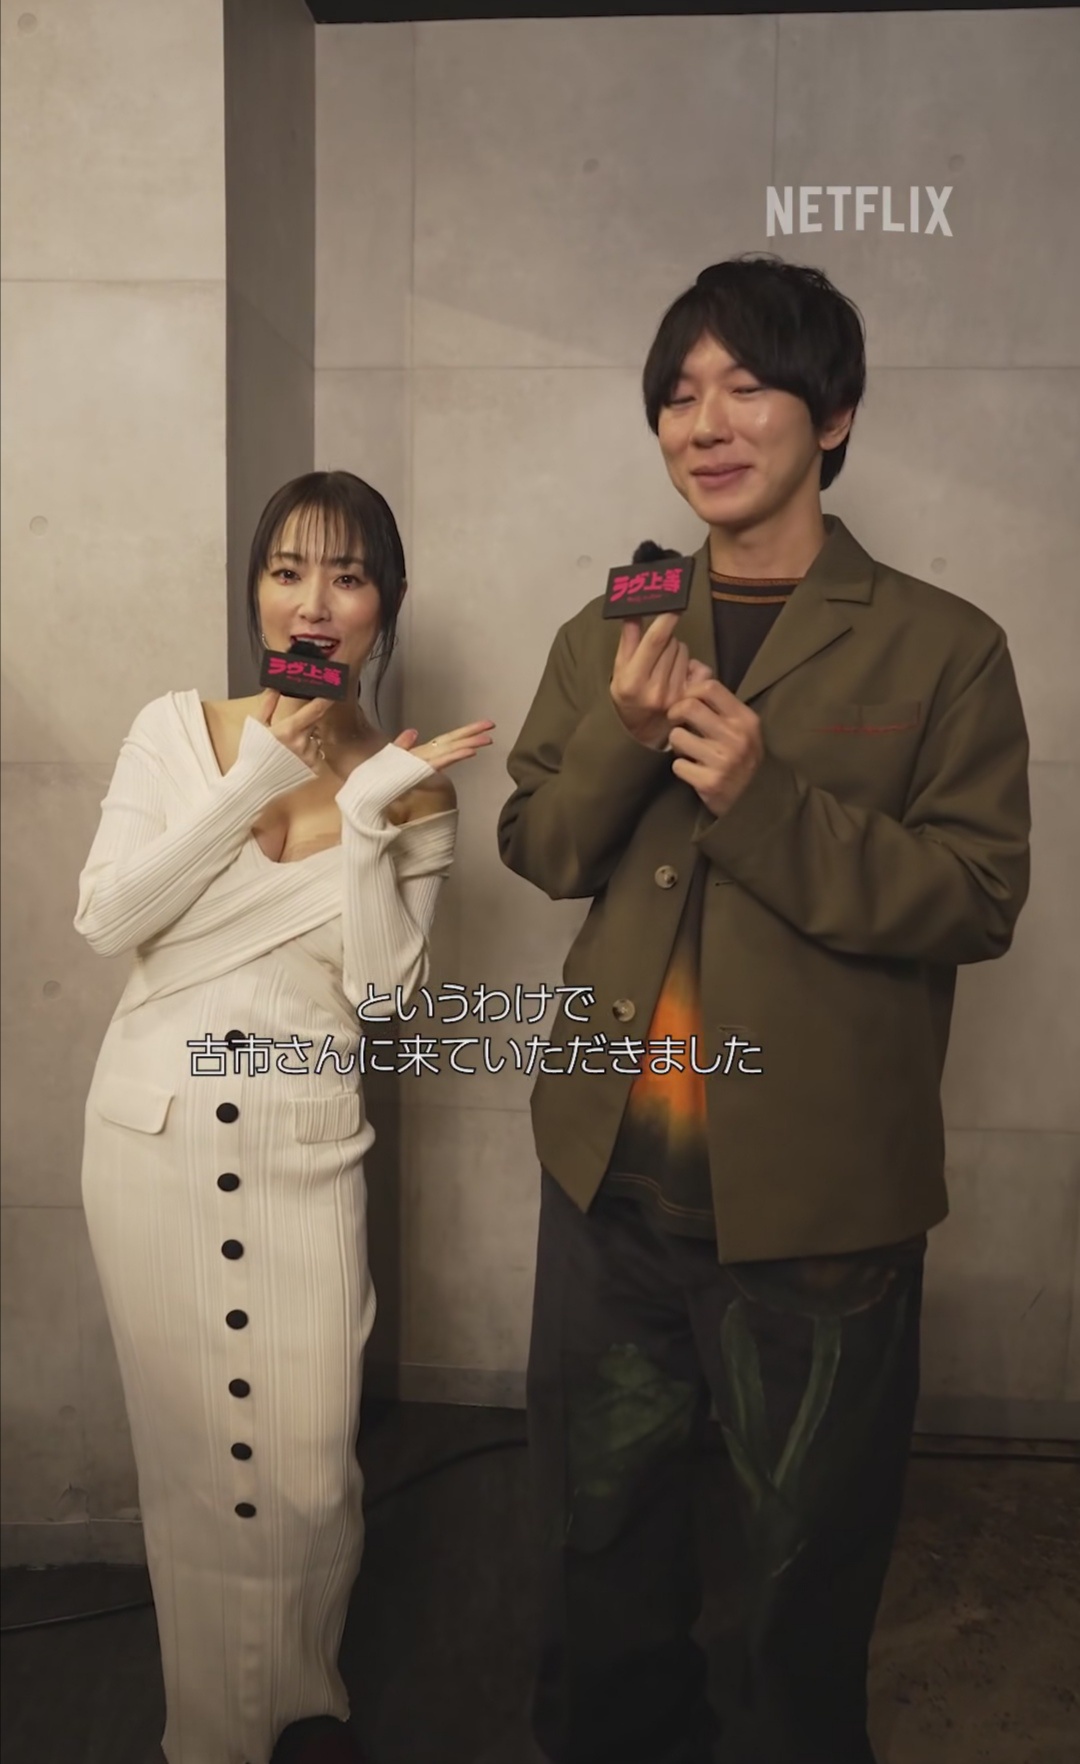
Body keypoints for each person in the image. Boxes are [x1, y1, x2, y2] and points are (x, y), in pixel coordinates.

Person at [498, 257, 1030, 1764]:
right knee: (598, 1561)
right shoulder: (614, 625)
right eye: (679, 394)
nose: (706, 423)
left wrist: (769, 800)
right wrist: (624, 736)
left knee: (802, 1594)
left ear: (835, 414)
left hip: (821, 1213)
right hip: (605, 1186)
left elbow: (977, 897)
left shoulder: (942, 644)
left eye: (746, 386)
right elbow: (539, 846)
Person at [76, 470, 493, 1764]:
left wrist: (365, 822)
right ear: (255, 590)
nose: (314, 603)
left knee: (310, 1473)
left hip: (305, 1147)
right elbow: (109, 916)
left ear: (386, 606)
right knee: (193, 1469)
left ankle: (298, 1702)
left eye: (347, 577)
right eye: (288, 570)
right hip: (149, 1143)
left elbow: (383, 996)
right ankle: (208, 1737)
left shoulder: (415, 787)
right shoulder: (174, 734)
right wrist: (262, 766)